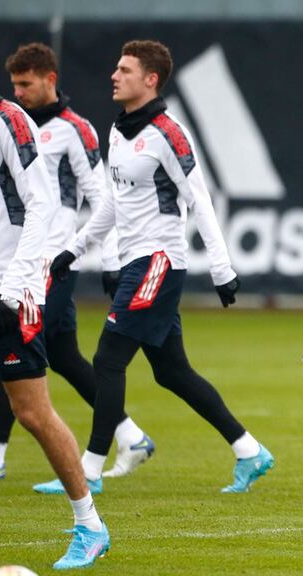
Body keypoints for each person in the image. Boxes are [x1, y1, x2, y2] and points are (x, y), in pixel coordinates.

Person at [36, 39, 273, 495]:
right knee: (171, 372)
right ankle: (249, 450)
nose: (114, 75)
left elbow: (199, 199)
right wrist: (77, 247)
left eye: (124, 69)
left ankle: (87, 469)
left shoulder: (168, 132)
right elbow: (112, 204)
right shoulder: (119, 131)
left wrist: (222, 268)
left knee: (107, 358)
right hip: (135, 263)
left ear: (150, 79)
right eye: (116, 67)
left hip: (160, 261)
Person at [0, 42, 154, 483]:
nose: (20, 91)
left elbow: (102, 195)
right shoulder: (12, 125)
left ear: (50, 79)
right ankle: (130, 433)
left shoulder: (74, 129)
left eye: (27, 83)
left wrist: (110, 256)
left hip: (50, 259)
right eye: (15, 85)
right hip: (32, 258)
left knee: (10, 339)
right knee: (62, 356)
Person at [0, 84, 110, 569]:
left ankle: (90, 525)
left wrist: (17, 287)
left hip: (10, 290)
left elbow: (42, 203)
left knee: (32, 414)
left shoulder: (8, 120)